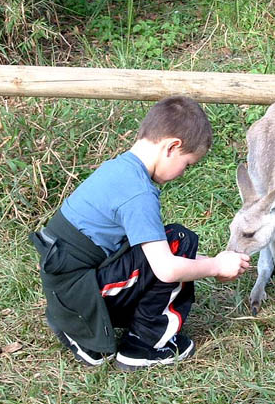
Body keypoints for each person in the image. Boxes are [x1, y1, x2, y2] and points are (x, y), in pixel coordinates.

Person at [29, 96, 250, 371]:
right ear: (172, 146)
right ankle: (143, 345)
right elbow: (166, 268)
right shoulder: (138, 193)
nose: (184, 173)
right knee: (179, 241)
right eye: (187, 164)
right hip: (80, 293)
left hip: (65, 291)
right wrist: (215, 266)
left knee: (172, 248)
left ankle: (81, 331)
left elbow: (142, 253)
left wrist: (212, 262)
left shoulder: (117, 169)